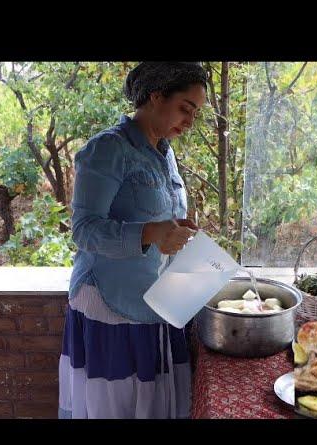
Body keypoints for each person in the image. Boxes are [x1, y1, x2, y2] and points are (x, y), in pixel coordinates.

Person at [58, 62, 208, 419]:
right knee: (118, 405)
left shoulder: (164, 151)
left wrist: (176, 227)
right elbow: (84, 229)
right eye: (185, 109)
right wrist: (151, 233)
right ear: (156, 97)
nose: (190, 121)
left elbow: (156, 214)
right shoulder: (108, 149)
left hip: (160, 299)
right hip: (112, 303)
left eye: (196, 113)